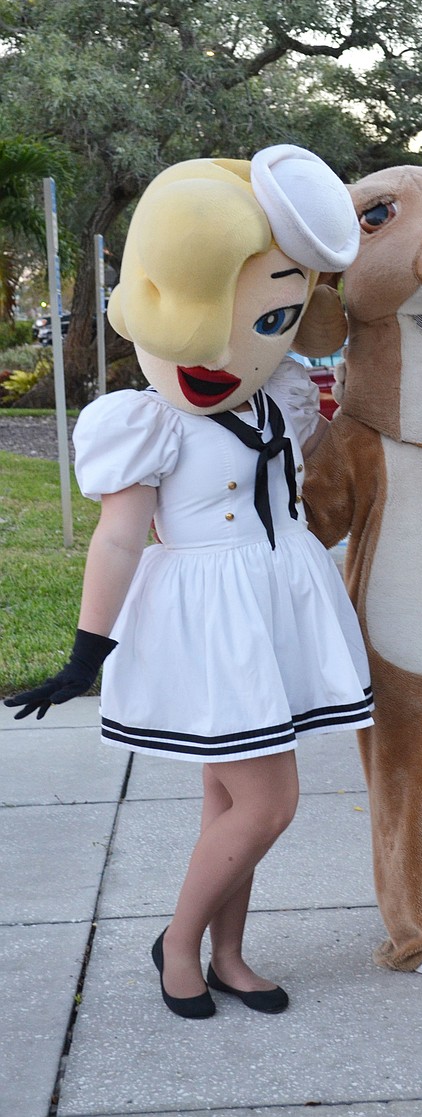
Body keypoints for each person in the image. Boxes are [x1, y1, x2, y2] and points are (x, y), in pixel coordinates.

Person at [4, 146, 374, 1016]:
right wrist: (88, 649)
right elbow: (121, 538)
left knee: (228, 800)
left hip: (276, 600)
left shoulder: (274, 393)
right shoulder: (145, 422)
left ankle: (230, 953)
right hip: (210, 620)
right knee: (268, 800)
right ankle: (177, 942)